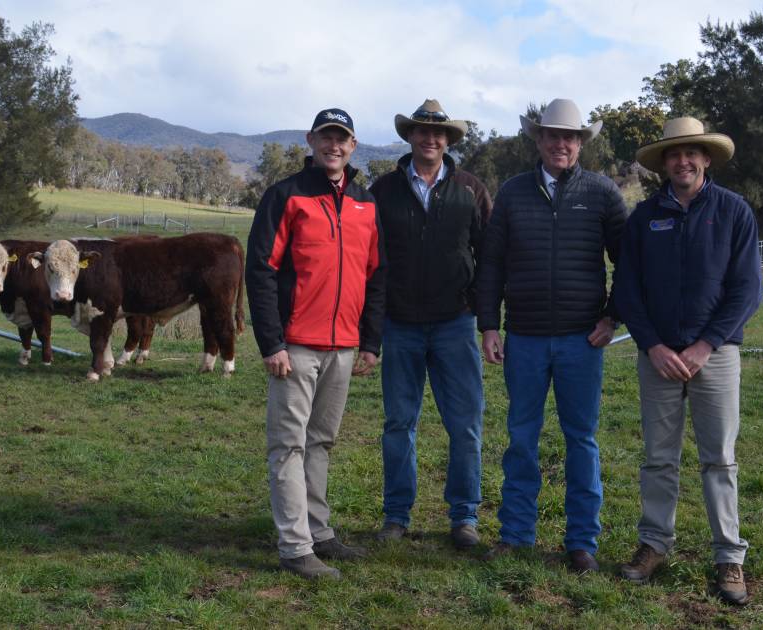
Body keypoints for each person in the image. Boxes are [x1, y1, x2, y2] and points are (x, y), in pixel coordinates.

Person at [613, 116, 762, 605]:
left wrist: (705, 346)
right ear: (664, 164)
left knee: (719, 458)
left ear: (706, 158)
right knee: (659, 457)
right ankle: (654, 545)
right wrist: (653, 344)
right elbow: (627, 291)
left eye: (691, 152)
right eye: (673, 154)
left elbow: (746, 290)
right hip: (656, 355)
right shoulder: (643, 217)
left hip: (714, 357)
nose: (682, 160)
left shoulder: (734, 211)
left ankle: (729, 558)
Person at [475, 98, 626, 573]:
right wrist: (489, 324)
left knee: (581, 439)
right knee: (522, 436)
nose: (562, 143)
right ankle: (516, 534)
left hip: (583, 340)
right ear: (537, 140)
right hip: (525, 338)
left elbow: (630, 262)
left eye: (571, 137)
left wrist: (612, 316)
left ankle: (582, 542)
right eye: (553, 135)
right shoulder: (513, 192)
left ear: (581, 143)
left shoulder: (602, 193)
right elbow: (492, 262)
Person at [246, 108, 386, 580]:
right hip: (296, 346)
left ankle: (319, 532)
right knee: (288, 446)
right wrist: (272, 343)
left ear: (353, 146)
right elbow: (261, 271)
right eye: (326, 137)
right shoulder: (285, 196)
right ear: (311, 140)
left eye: (342, 139)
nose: (334, 145)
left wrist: (370, 341)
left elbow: (375, 275)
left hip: (344, 347)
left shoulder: (366, 204)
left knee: (321, 442)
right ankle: (294, 546)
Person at [368, 99, 492, 549]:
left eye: (439, 133)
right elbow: (370, 260)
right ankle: (396, 516)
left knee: (466, 425)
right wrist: (373, 325)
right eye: (422, 131)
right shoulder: (382, 191)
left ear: (449, 140)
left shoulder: (471, 189)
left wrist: (479, 308)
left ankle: (464, 518)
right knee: (399, 423)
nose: (431, 138)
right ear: (410, 137)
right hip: (399, 324)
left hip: (455, 324)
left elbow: (490, 256)